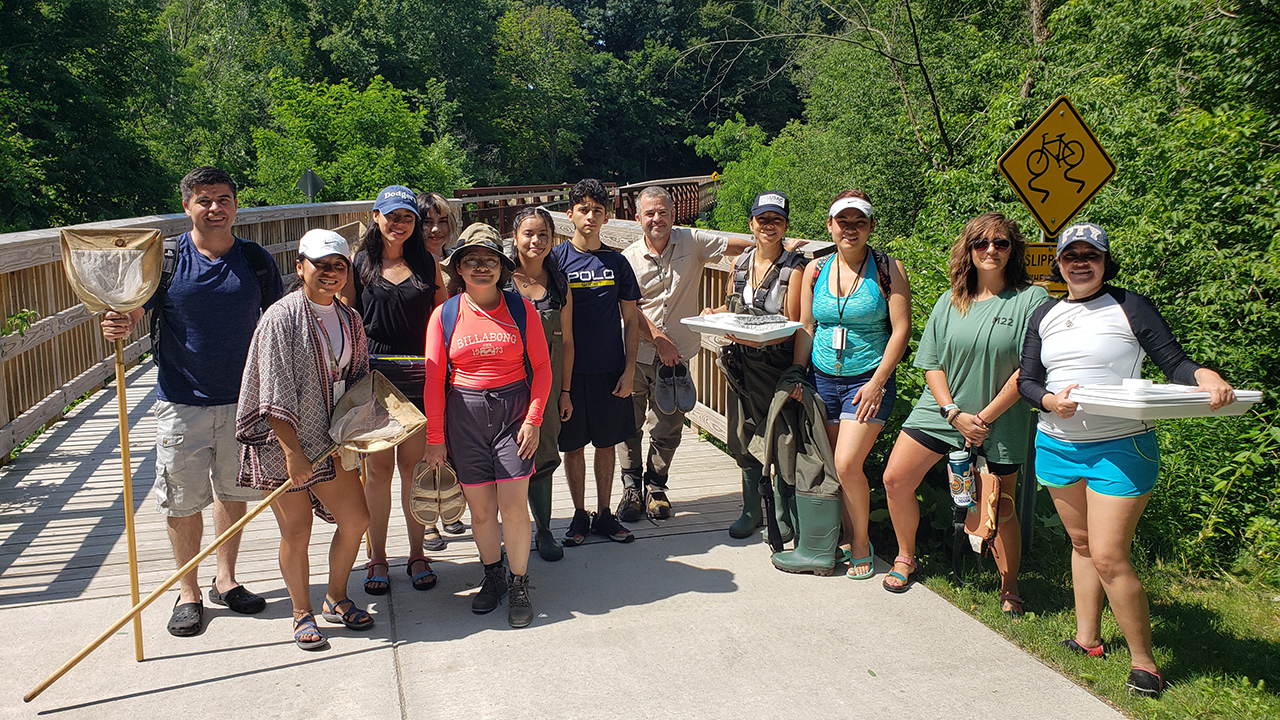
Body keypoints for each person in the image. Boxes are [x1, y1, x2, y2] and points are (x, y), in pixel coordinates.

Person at [1018, 222, 1236, 698]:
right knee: (1081, 544)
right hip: (1056, 444)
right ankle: (1088, 639)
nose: (1080, 263)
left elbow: (1173, 361)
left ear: (1104, 262)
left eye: (1091, 255)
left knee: (1109, 554)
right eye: (1071, 255)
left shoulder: (1129, 305)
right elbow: (1027, 381)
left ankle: (1144, 663)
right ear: (1058, 263)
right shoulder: (1045, 313)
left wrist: (1205, 375)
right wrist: (1050, 402)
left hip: (1120, 445)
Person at [100, 166, 283, 637]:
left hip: (243, 400)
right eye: (204, 200)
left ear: (236, 205)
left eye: (223, 199)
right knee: (182, 500)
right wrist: (120, 323)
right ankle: (188, 591)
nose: (215, 208)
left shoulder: (255, 260)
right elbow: (135, 311)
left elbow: (277, 320)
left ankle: (226, 579)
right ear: (187, 206)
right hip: (181, 400)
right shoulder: (165, 260)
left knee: (232, 492)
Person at [881, 213, 1047, 603]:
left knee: (1000, 506)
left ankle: (1010, 587)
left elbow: (1029, 369)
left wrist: (982, 418)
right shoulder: (950, 300)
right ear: (968, 249)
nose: (991, 250)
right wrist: (953, 413)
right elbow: (931, 363)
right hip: (942, 412)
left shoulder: (1032, 299)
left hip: (998, 418)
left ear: (1013, 250)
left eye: (1001, 243)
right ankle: (906, 558)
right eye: (981, 243)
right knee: (896, 479)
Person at [236, 229, 374, 651]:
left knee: (356, 521)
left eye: (338, 265)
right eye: (320, 264)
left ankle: (336, 597)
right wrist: (292, 453)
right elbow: (271, 391)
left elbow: (358, 378)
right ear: (300, 267)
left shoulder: (349, 318)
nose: (330, 272)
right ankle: (301, 612)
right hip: (283, 443)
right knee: (297, 530)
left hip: (331, 440)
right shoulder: (280, 318)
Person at [422, 223, 552, 628]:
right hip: (465, 417)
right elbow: (434, 381)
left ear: (502, 267)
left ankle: (519, 582)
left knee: (513, 506)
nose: (481, 267)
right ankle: (492, 575)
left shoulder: (521, 310)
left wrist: (534, 419)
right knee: (480, 511)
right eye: (472, 260)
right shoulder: (444, 315)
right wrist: (436, 439)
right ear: (458, 267)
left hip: (514, 414)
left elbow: (543, 367)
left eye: (490, 260)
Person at [784, 190, 911, 576]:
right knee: (833, 465)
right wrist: (798, 372)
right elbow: (807, 326)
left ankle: (860, 541)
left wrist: (878, 382)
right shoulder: (816, 269)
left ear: (871, 226)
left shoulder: (888, 269)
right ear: (830, 225)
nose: (850, 229)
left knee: (846, 463)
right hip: (822, 378)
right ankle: (838, 537)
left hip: (867, 380)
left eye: (859, 222)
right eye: (843, 222)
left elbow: (901, 330)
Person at [339, 185, 447, 594]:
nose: (398, 224)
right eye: (391, 216)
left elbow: (442, 316)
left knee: (413, 470)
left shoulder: (427, 263)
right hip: (374, 379)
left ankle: (418, 553)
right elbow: (346, 315)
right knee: (378, 473)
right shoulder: (359, 263)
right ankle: (379, 557)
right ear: (375, 217)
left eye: (407, 217)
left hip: (419, 376)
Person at [619, 186, 748, 522]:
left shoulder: (692, 241)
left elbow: (738, 246)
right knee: (628, 424)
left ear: (673, 214)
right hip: (635, 353)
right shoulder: (628, 258)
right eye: (649, 213)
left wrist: (779, 247)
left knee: (669, 425)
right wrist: (659, 339)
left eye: (663, 212)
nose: (657, 219)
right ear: (638, 218)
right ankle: (631, 489)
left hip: (678, 357)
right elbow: (629, 309)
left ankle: (655, 486)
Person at [699, 191, 805, 539]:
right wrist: (713, 314)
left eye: (776, 220)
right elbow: (732, 306)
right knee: (742, 434)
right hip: (740, 363)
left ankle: (782, 513)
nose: (768, 226)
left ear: (785, 226)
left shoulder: (795, 268)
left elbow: (795, 323)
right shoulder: (741, 262)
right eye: (763, 219)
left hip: (776, 363)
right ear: (751, 223)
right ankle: (751, 509)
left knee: (780, 435)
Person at [549, 179, 641, 545]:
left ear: (606, 216)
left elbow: (631, 320)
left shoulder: (617, 262)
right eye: (583, 209)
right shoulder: (555, 260)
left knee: (606, 444)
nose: (590, 216)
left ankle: (604, 514)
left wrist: (630, 370)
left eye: (597, 210)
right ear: (570, 214)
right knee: (573, 447)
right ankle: (579, 514)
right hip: (568, 373)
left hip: (610, 368)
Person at [504, 207, 574, 561]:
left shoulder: (559, 284)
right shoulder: (500, 280)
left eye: (543, 234)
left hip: (547, 384)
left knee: (544, 451)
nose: (536, 241)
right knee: (504, 455)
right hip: (505, 382)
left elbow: (568, 342)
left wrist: (565, 392)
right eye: (528, 233)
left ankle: (544, 530)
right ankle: (506, 532)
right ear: (514, 237)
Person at [417, 191, 459, 260]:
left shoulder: (457, 260)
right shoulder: (405, 263)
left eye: (442, 221)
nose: (436, 229)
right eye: (427, 222)